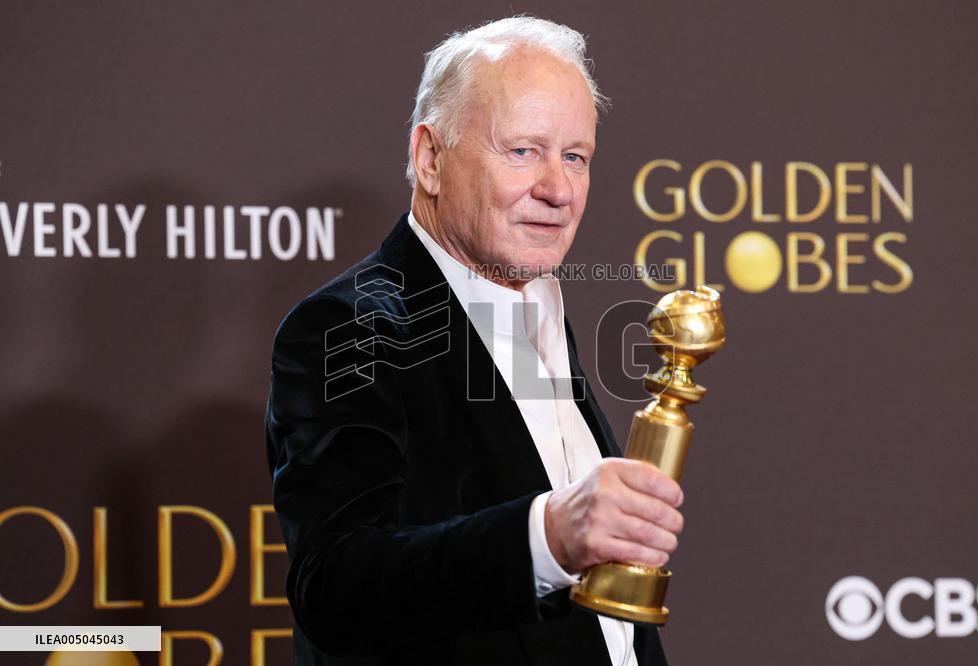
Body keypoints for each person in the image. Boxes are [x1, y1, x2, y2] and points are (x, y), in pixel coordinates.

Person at [265, 16, 684, 666]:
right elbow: (336, 587)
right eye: (523, 151)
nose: (557, 189)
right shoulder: (351, 326)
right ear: (430, 158)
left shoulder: (538, 300)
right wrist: (547, 537)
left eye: (575, 156)